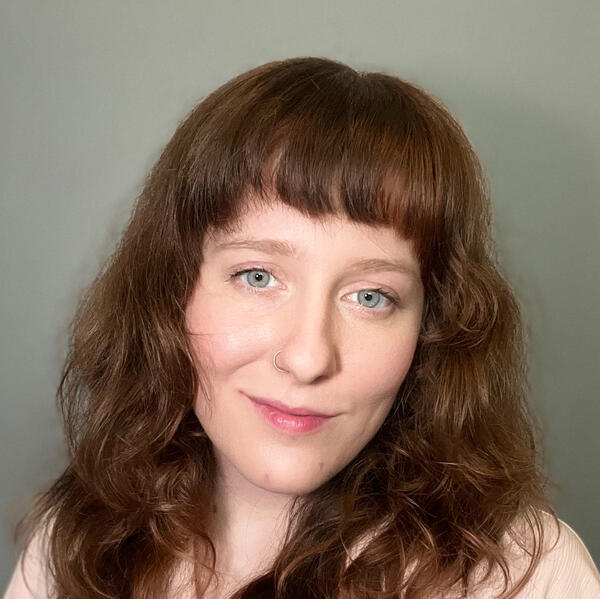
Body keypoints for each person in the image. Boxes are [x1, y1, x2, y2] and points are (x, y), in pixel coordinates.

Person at [3, 56, 600, 599]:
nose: (309, 357)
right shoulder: (71, 544)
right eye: (258, 277)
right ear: (169, 289)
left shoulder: (526, 577)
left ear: (432, 327)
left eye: (370, 297)